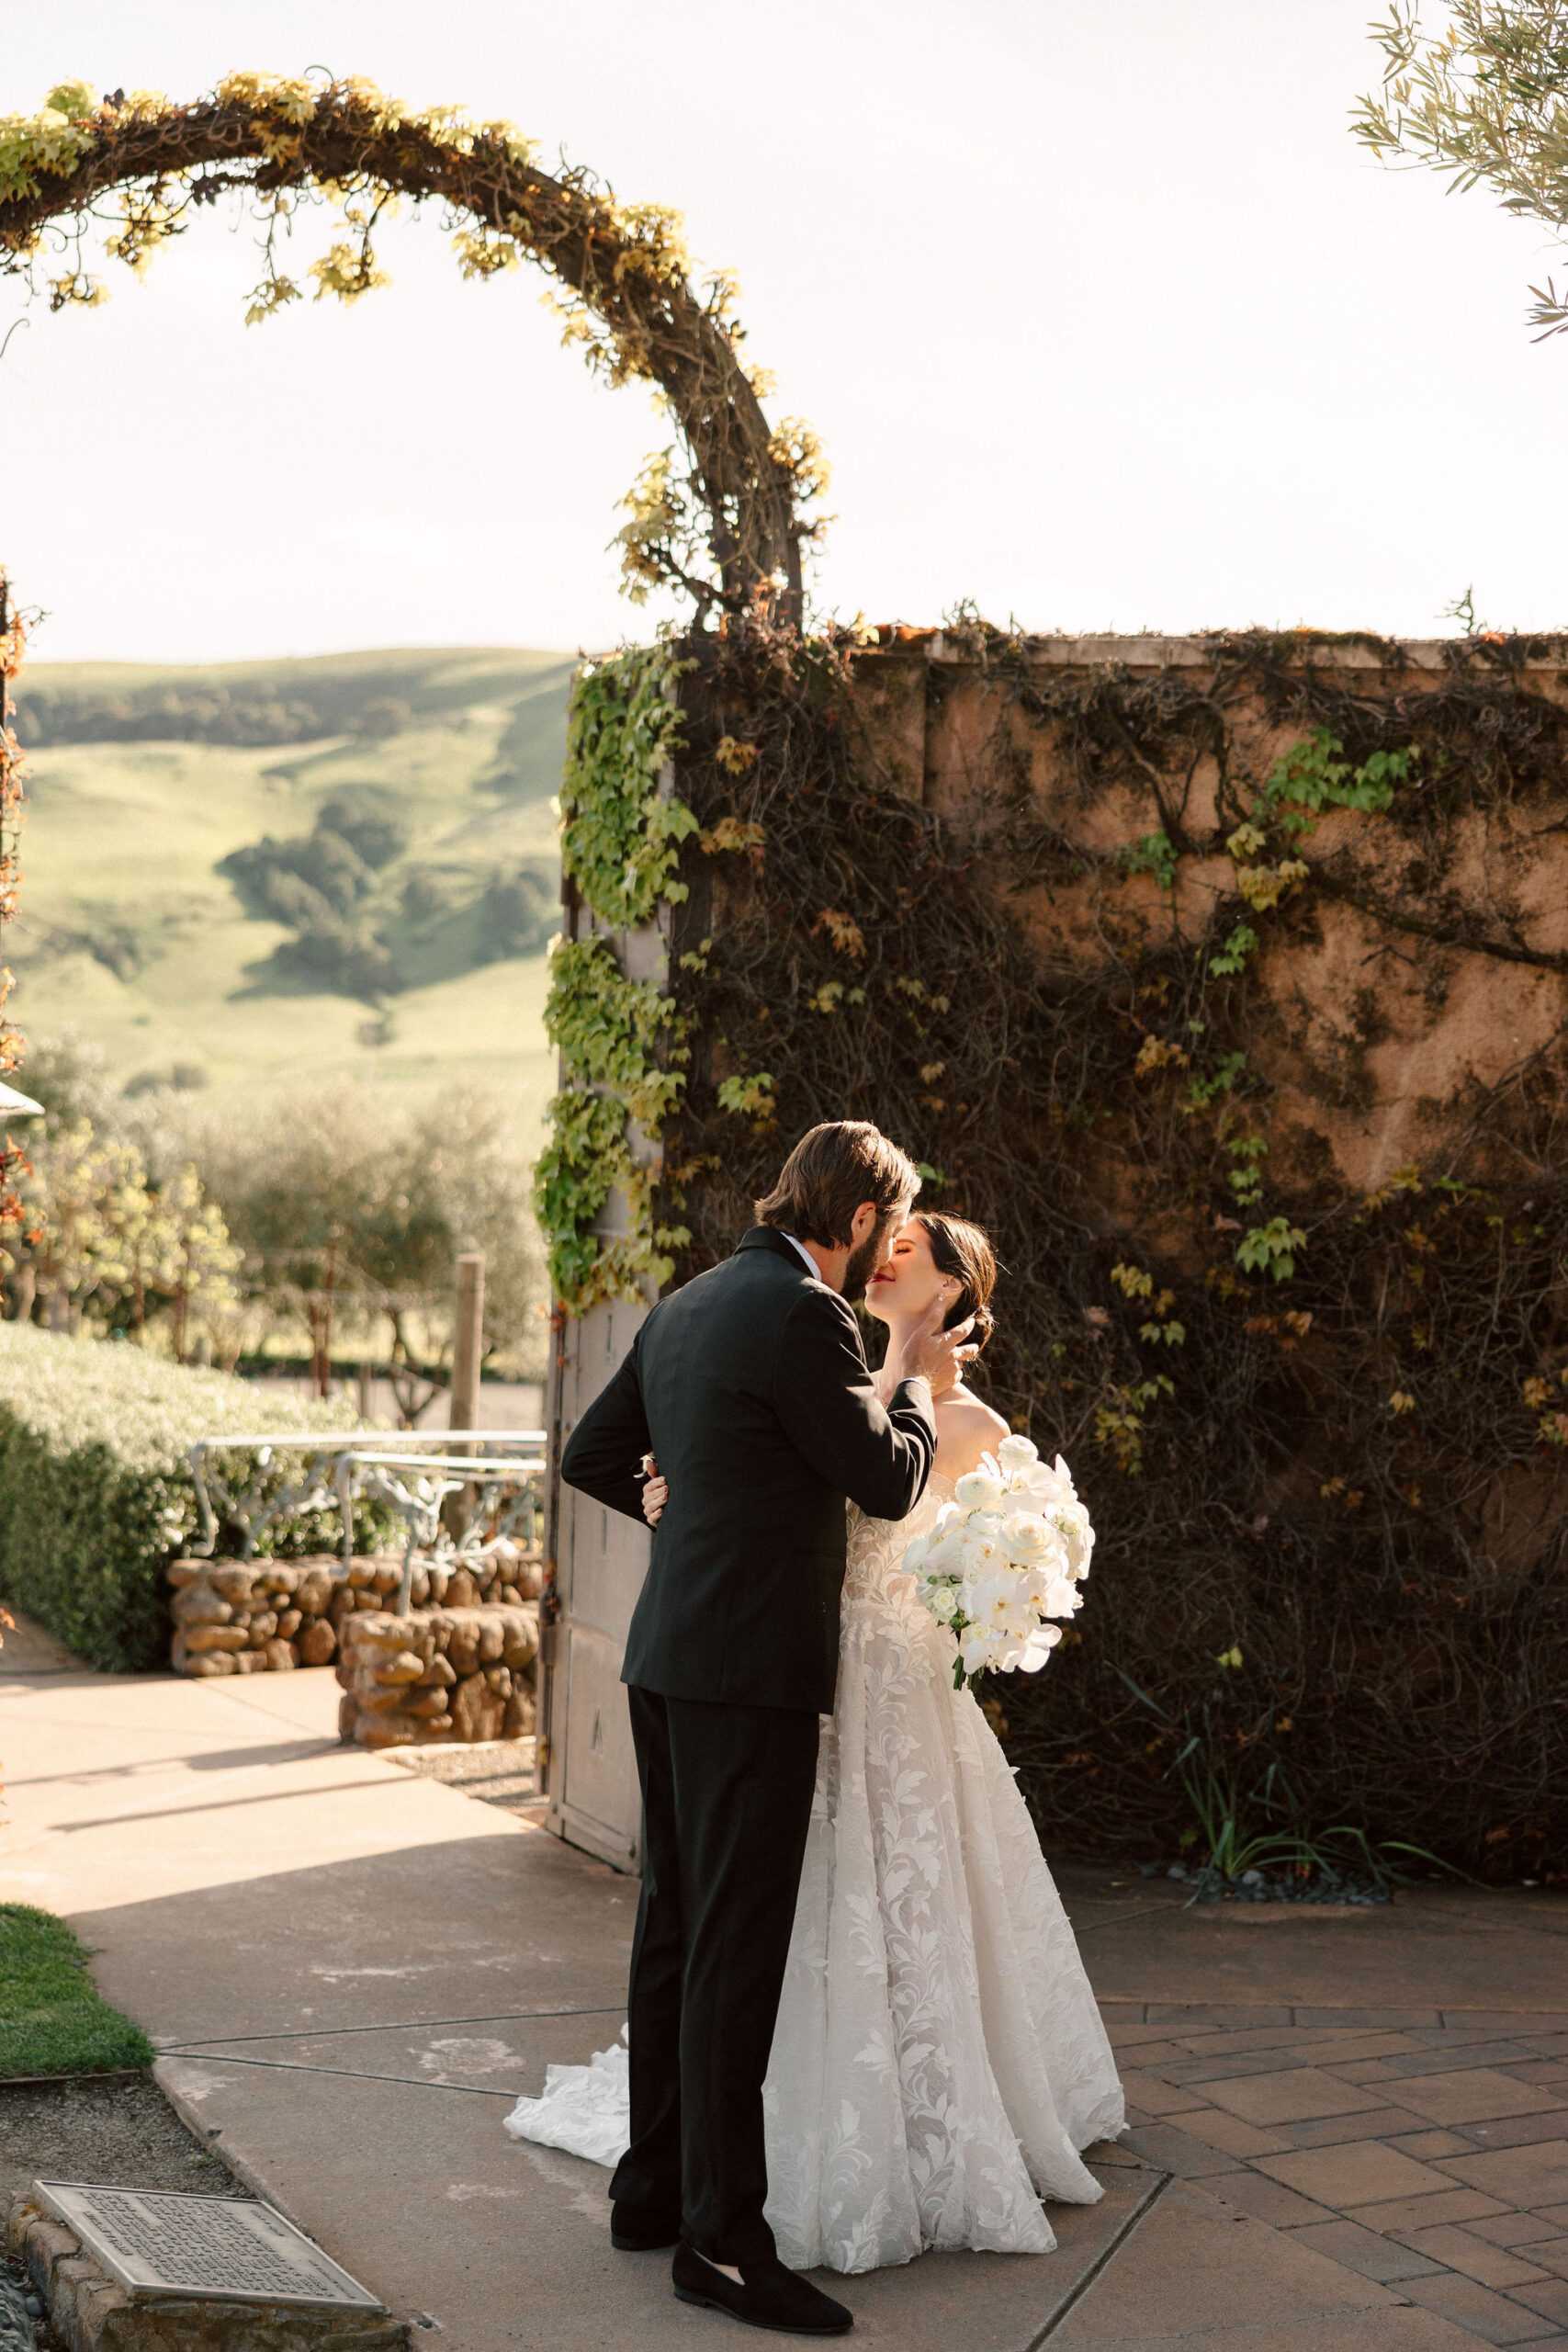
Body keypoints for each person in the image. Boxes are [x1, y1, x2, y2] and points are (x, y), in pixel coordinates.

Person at [641, 1210, 1124, 2272]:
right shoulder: (841, 1381)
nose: (890, 1252)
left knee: (919, 1902)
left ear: (954, 1288)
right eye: (888, 1235)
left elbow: (1007, 1564)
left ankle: (934, 2112)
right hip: (810, 1674)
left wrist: (997, 1610)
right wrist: (673, 1485)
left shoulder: (978, 1430)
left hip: (903, 1688)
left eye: (916, 1246)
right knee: (801, 1904)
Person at [554, 1122, 971, 2337]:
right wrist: (898, 1359)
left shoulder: (686, 1303)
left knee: (674, 1931)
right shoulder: (803, 1314)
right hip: (746, 1677)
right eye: (881, 1239)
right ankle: (722, 2244)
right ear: (853, 1222)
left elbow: (592, 1454)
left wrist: (662, 1495)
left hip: (668, 1656)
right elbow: (887, 1479)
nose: (875, 1260)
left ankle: (649, 2193)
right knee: (734, 1948)